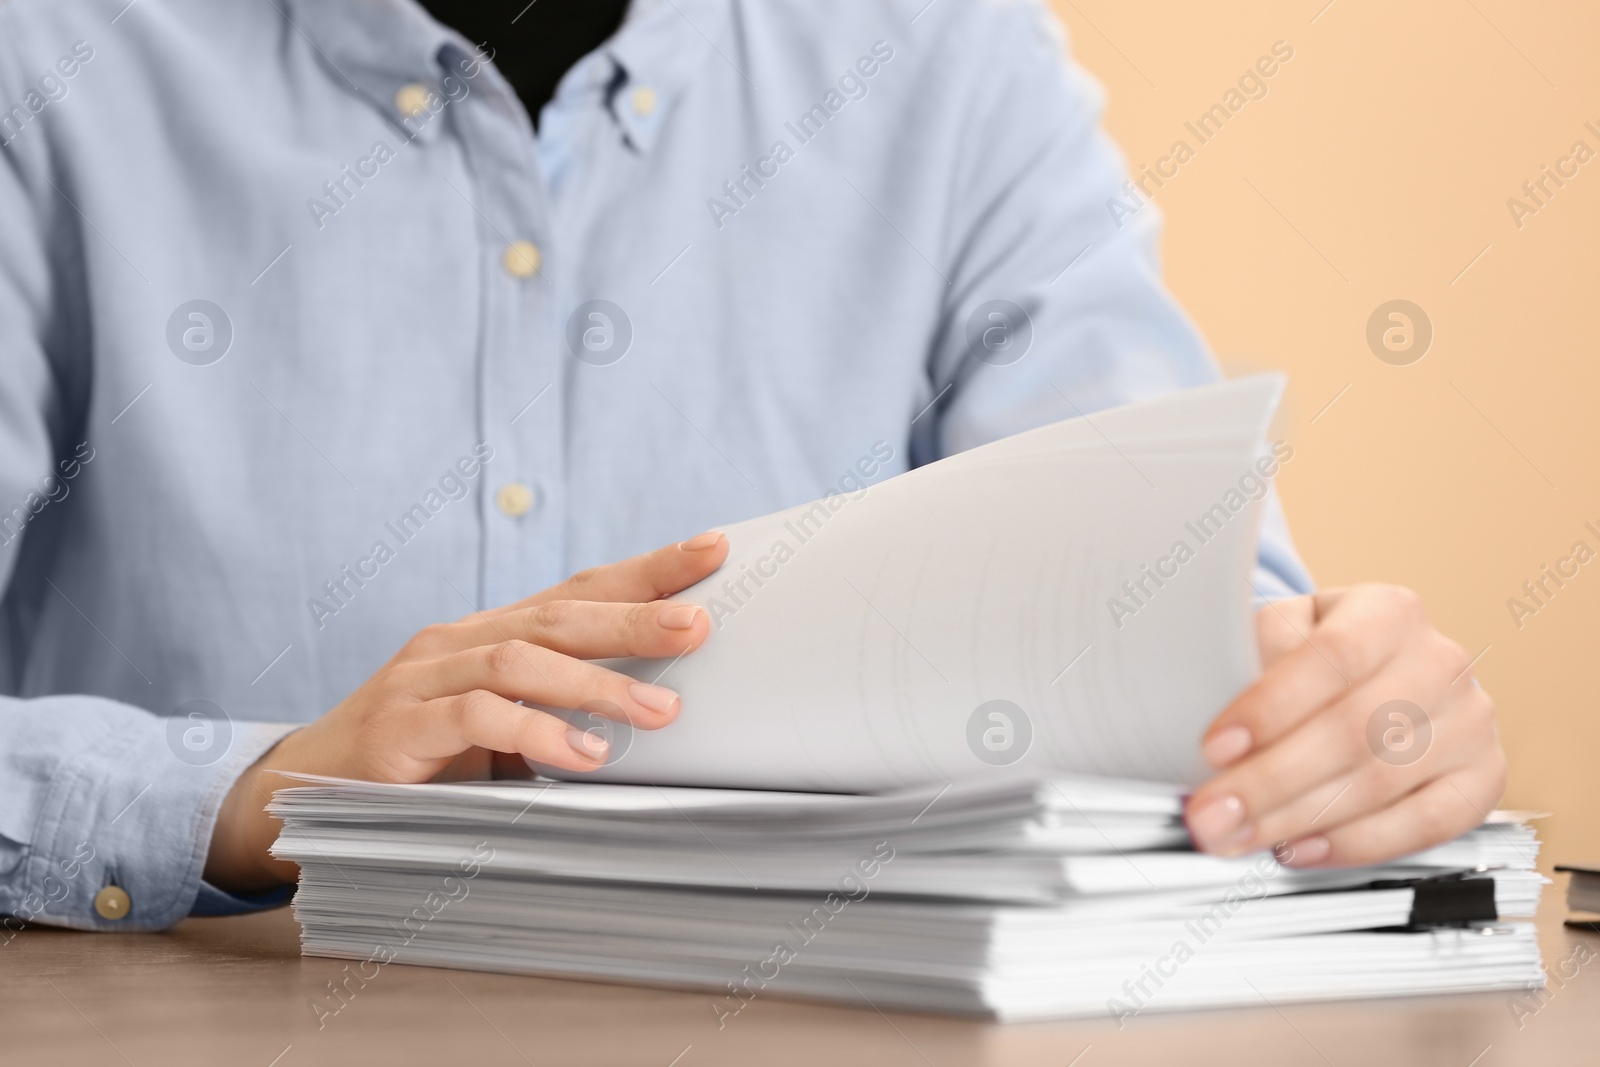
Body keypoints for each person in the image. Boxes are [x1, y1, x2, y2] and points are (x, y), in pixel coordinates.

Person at [0, 0, 1502, 932]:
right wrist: (248, 794)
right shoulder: (46, 55)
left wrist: (1324, 705)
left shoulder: (947, 51)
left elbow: (1178, 617)